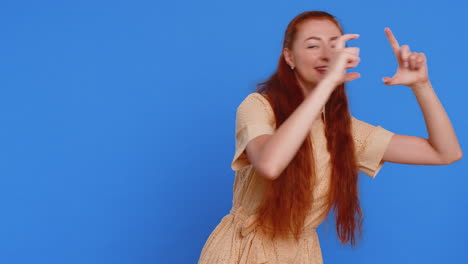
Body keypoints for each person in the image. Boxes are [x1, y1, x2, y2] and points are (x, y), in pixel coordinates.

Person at [198, 10, 462, 264]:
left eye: (335, 45)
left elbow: (445, 153)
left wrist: (421, 85)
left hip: (302, 254)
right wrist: (327, 84)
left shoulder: (342, 130)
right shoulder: (258, 106)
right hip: (243, 251)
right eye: (313, 46)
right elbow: (269, 164)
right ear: (289, 57)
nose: (326, 55)